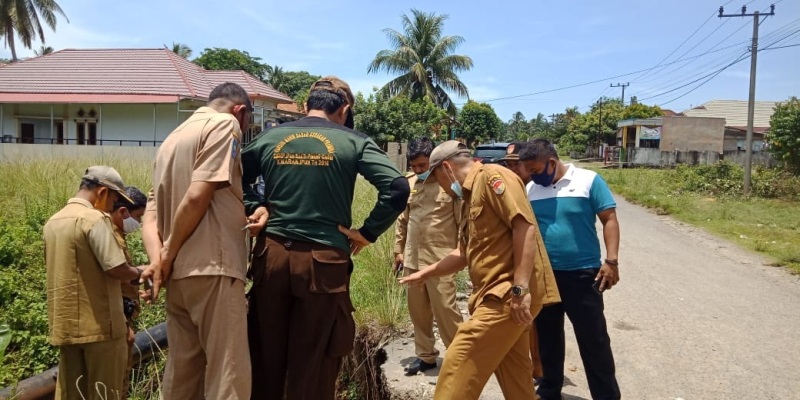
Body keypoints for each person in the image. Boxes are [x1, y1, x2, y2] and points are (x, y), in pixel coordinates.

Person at [241, 76, 410, 400]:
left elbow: (233, 174)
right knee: (315, 356)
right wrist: (367, 232)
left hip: (271, 258)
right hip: (324, 265)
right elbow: (398, 187)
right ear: (344, 108)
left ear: (306, 105)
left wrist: (256, 205)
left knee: (266, 352)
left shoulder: (270, 137)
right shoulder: (353, 141)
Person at [400, 141, 560, 399]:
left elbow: (524, 226)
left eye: (434, 176)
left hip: (507, 295)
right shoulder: (467, 195)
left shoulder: (493, 177)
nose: (437, 184)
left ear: (446, 169)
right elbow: (463, 253)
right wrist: (425, 273)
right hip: (495, 294)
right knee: (516, 375)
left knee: (459, 360)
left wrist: (520, 289)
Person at [141, 82, 254, 399]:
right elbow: (197, 196)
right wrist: (168, 252)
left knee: (183, 372)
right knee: (227, 372)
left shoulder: (171, 140)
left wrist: (159, 262)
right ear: (240, 111)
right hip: (212, 266)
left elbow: (150, 217)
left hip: (178, 276)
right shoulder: (224, 124)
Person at [519, 139, 621, 400]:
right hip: (546, 276)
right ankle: (551, 390)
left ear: (551, 163)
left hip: (583, 275)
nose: (531, 175)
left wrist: (611, 261)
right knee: (548, 338)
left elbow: (609, 219)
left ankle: (606, 395)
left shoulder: (589, 180)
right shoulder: (531, 190)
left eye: (535, 169)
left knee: (594, 340)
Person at [44, 166, 144, 400]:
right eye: (115, 199)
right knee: (105, 393)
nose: (113, 207)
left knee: (72, 393)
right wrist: (140, 271)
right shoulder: (94, 219)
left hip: (66, 326)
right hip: (102, 328)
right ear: (102, 193)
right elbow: (117, 268)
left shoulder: (54, 221)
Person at [394, 137, 463, 376]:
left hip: (441, 260)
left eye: (422, 165)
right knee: (418, 312)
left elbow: (461, 221)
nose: (418, 170)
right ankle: (426, 357)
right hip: (413, 259)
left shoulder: (449, 184)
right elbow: (403, 220)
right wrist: (398, 251)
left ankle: (459, 359)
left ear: (433, 162)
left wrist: (461, 254)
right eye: (414, 166)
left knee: (446, 310)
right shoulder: (410, 183)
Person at [500, 141, 545, 384]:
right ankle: (529, 369)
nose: (512, 169)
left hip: (539, 263)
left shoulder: (537, 189)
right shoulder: (508, 189)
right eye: (508, 164)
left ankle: (540, 368)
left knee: (539, 321)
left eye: (516, 164)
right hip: (516, 264)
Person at [108, 186, 147, 398]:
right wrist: (143, 272)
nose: (139, 223)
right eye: (138, 216)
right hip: (116, 317)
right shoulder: (109, 237)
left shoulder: (117, 234)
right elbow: (118, 274)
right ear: (123, 212)